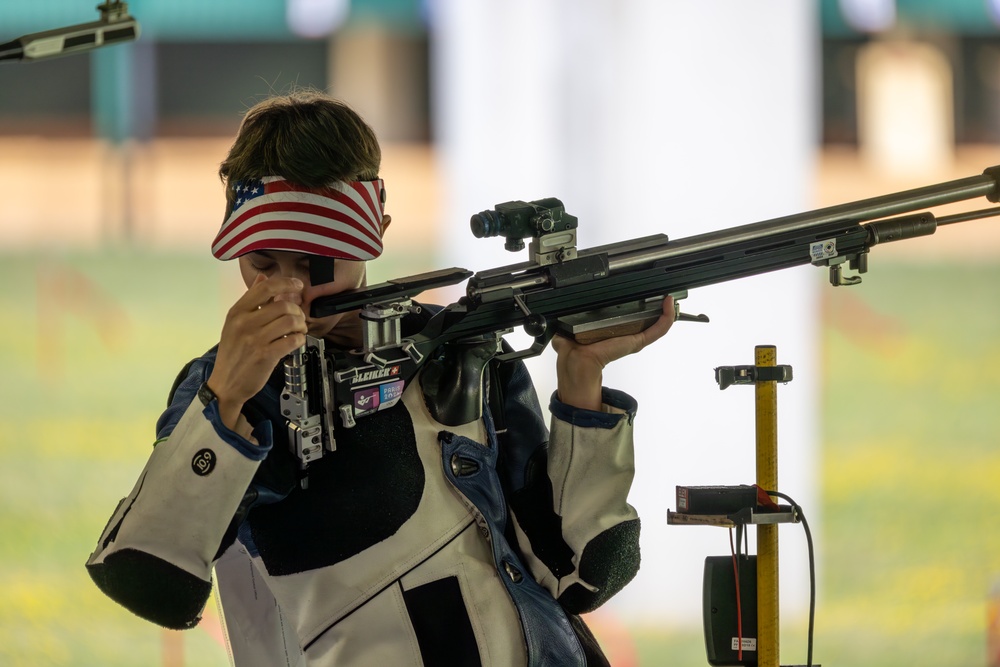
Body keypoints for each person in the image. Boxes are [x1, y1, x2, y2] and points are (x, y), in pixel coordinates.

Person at [86, 90, 675, 666]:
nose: (291, 287)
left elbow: (588, 571)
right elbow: (148, 579)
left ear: (379, 229)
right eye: (263, 262)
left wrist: (582, 381)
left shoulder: (461, 345)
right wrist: (224, 400)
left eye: (319, 262)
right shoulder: (236, 388)